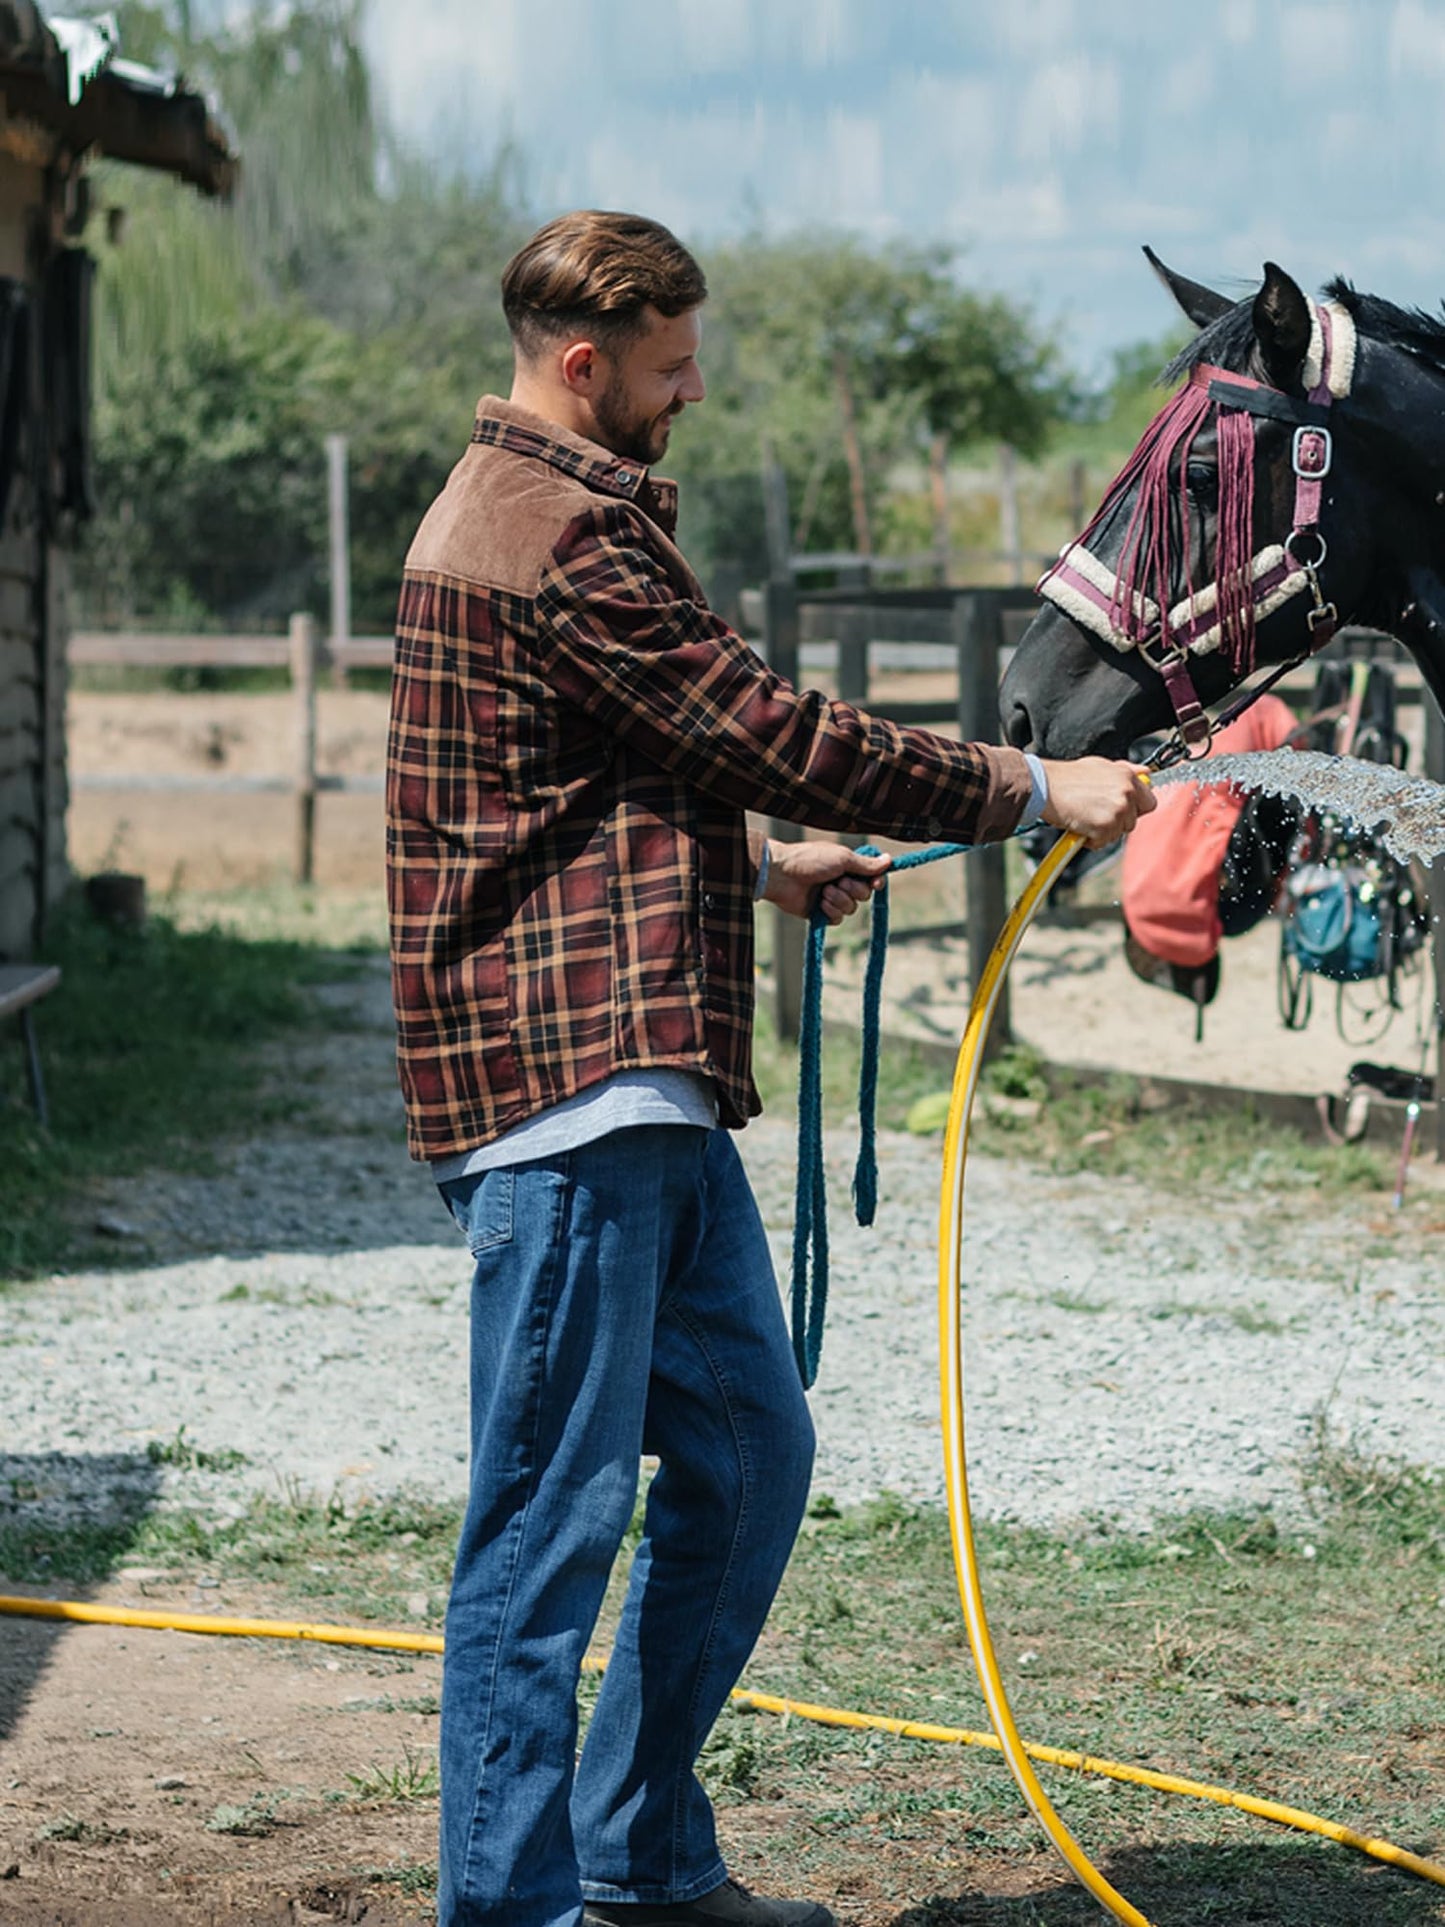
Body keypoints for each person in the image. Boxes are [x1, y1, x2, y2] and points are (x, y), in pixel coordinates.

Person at [386, 209, 1153, 1927]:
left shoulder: (541, 517)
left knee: (746, 1454)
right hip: (571, 1104)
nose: (696, 389)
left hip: (632, 1089)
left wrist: (753, 862)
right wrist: (1031, 791)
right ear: (583, 366)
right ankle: (513, 1912)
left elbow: (562, 785)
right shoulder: (547, 530)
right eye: (672, 365)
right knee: (540, 1538)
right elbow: (764, 723)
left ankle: (641, 1861)